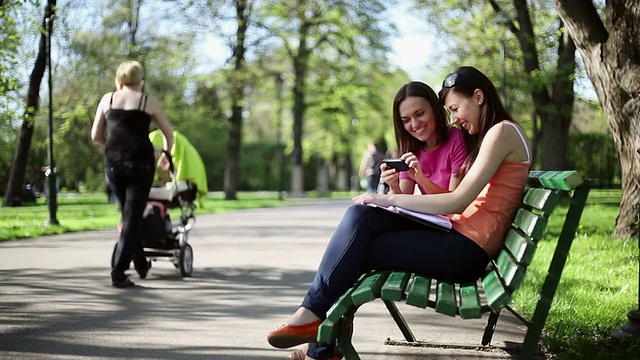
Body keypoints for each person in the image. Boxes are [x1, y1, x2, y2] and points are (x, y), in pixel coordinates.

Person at [266, 66, 532, 360]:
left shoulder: (502, 131)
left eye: (455, 108)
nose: (454, 119)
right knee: (360, 218)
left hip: (467, 250)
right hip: (460, 239)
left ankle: (316, 330)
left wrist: (387, 199)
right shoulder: (497, 133)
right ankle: (316, 328)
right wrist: (388, 199)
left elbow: (456, 200)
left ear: (479, 97)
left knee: (359, 241)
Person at [91, 60, 174, 288]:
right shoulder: (148, 101)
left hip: (114, 163)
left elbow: (96, 136)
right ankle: (119, 273)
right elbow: (169, 133)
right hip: (141, 163)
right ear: (141, 81)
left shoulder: (107, 100)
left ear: (119, 80)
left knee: (129, 215)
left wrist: (113, 147)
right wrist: (165, 155)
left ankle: (140, 262)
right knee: (132, 216)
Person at [383, 81, 469, 195]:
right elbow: (403, 198)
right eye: (406, 120)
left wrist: (421, 180)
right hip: (423, 212)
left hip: (453, 212)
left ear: (434, 108)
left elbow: (454, 202)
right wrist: (393, 186)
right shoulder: (411, 150)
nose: (414, 124)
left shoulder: (458, 140)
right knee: (360, 210)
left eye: (419, 114)